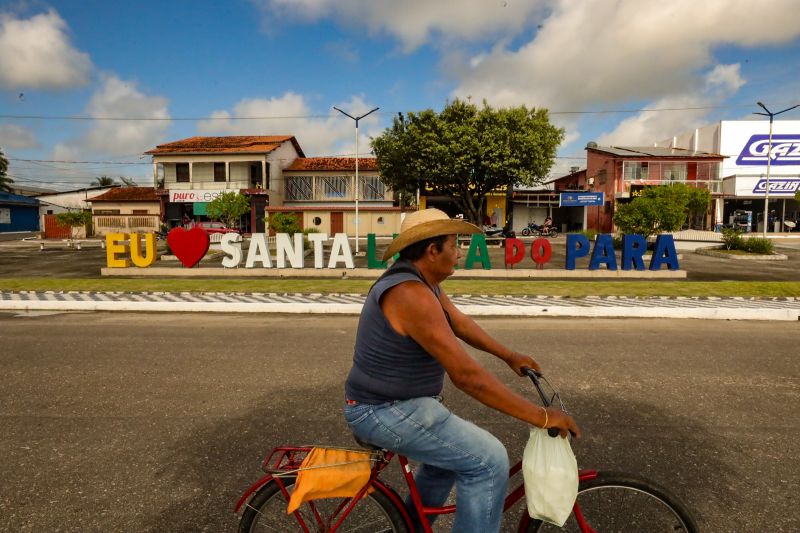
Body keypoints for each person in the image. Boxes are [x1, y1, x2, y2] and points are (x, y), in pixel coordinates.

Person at [344, 208, 580, 533]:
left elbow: (459, 323)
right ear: (432, 250)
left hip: (407, 404)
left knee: (448, 461)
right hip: (383, 410)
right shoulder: (409, 294)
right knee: (488, 461)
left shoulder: (423, 283)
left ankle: (409, 527)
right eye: (454, 245)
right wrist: (541, 416)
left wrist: (509, 355)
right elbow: (467, 377)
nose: (459, 253)